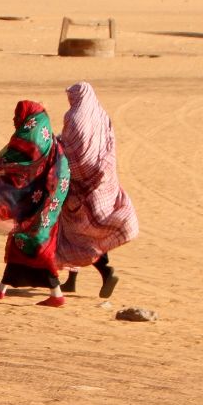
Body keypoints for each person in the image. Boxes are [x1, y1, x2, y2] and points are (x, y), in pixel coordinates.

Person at [0, 99, 71, 307]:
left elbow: (14, 162)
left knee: (36, 242)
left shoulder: (30, 136)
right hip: (45, 194)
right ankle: (2, 288)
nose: (14, 119)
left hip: (40, 198)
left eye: (18, 115)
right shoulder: (44, 132)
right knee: (20, 239)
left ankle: (56, 294)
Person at [53, 81, 138, 297]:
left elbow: (75, 152)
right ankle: (71, 280)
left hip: (81, 186)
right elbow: (106, 144)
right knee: (91, 229)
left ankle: (106, 271)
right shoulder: (100, 115)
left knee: (78, 232)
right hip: (103, 181)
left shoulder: (73, 117)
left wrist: (56, 144)